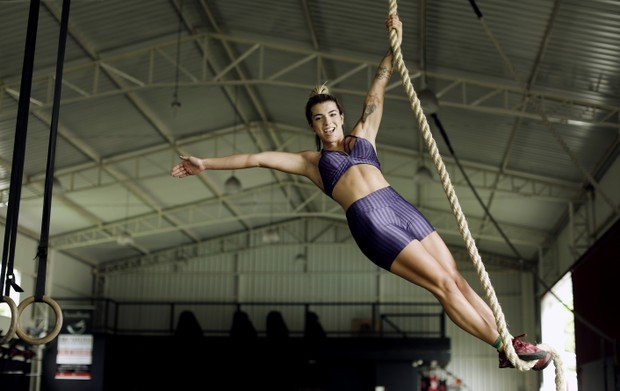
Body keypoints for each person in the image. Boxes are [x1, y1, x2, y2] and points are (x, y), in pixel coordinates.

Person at [170, 14, 551, 371]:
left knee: (457, 277)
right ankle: (502, 346)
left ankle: (508, 342)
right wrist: (207, 163)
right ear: (313, 126)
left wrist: (393, 43)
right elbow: (256, 158)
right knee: (442, 284)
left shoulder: (364, 134)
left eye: (332, 114)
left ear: (340, 114)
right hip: (372, 222)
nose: (328, 122)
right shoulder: (311, 163)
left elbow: (379, 85)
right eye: (319, 119)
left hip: (400, 207)